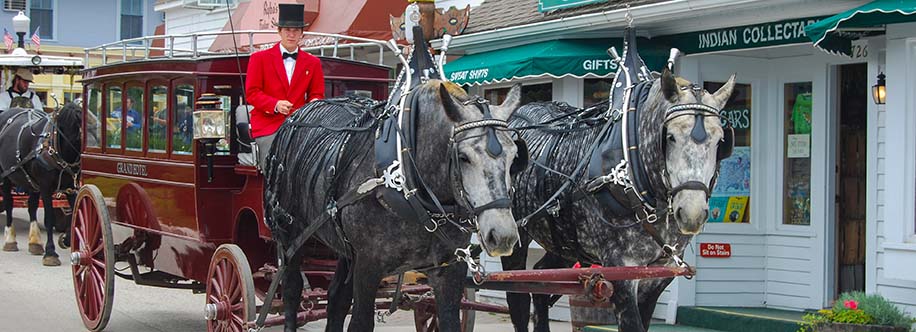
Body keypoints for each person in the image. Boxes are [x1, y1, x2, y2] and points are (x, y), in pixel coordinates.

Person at [245, 3, 325, 170]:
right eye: (287, 30)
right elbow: (252, 93)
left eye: (296, 30)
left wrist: (310, 107)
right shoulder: (259, 59)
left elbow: (316, 94)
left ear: (302, 34)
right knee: (275, 164)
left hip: (300, 124)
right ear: (279, 31)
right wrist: (275, 105)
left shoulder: (313, 63)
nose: (291, 34)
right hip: (268, 126)